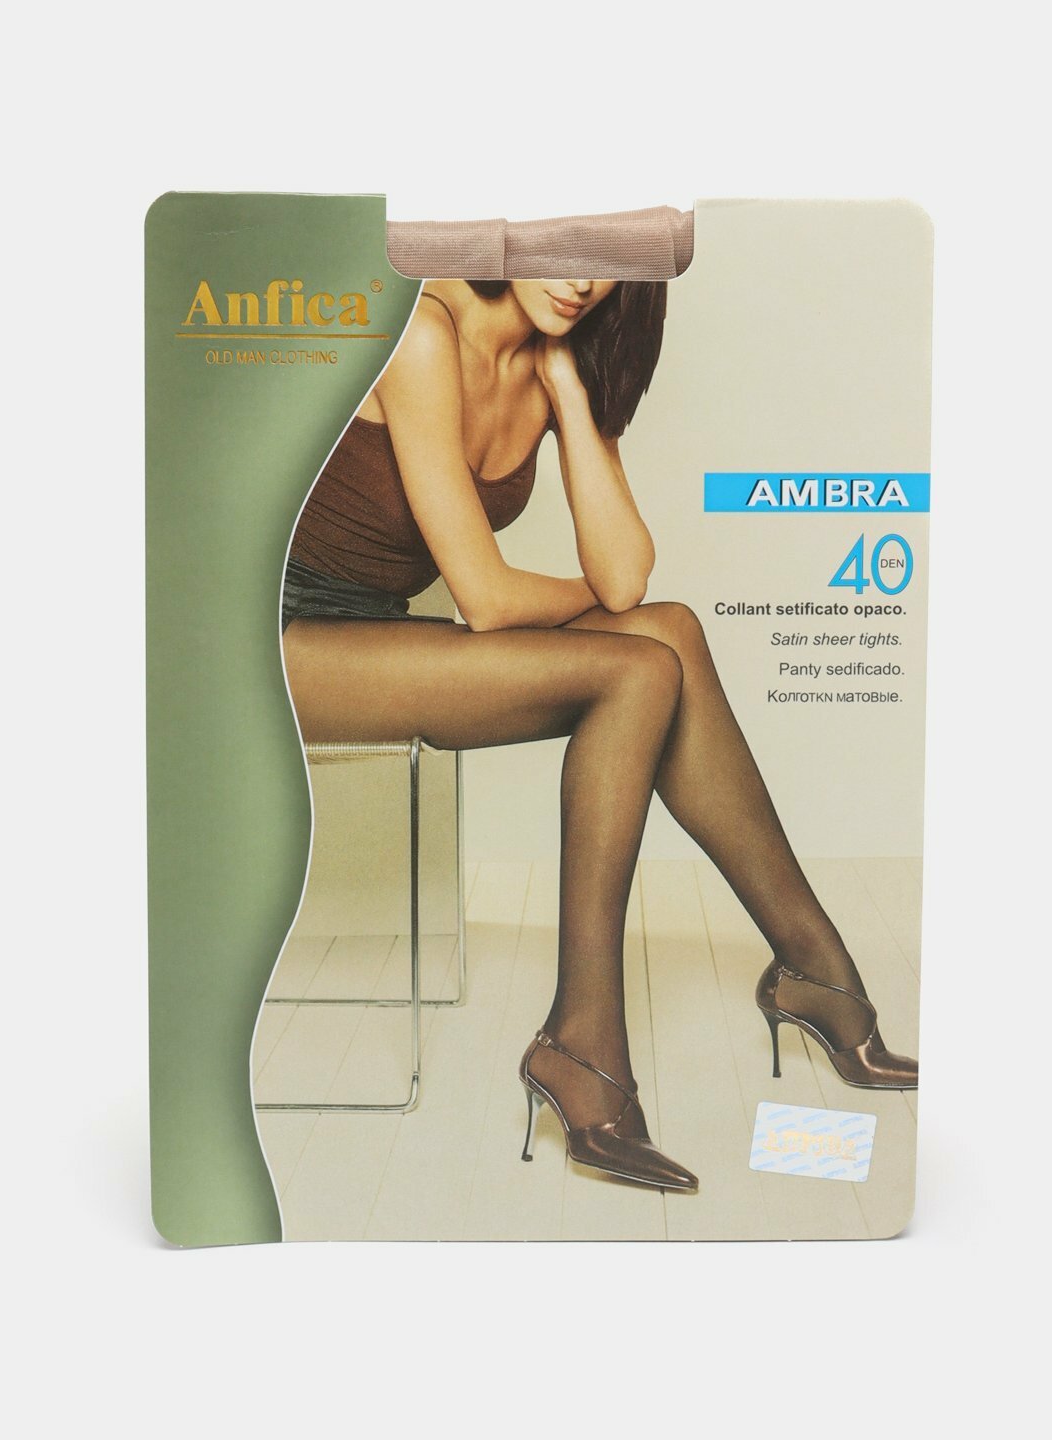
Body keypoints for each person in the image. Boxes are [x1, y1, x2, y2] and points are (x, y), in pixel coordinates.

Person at [281, 277, 917, 1194]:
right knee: (638, 665)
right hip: (275, 640)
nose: (580, 278)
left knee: (672, 635)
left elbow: (628, 576)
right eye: (562, 244)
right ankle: (582, 1044)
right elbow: (488, 598)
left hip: (373, 631)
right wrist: (597, 605)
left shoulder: (554, 358)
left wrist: (571, 398)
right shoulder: (420, 332)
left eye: (605, 257)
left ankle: (818, 972)